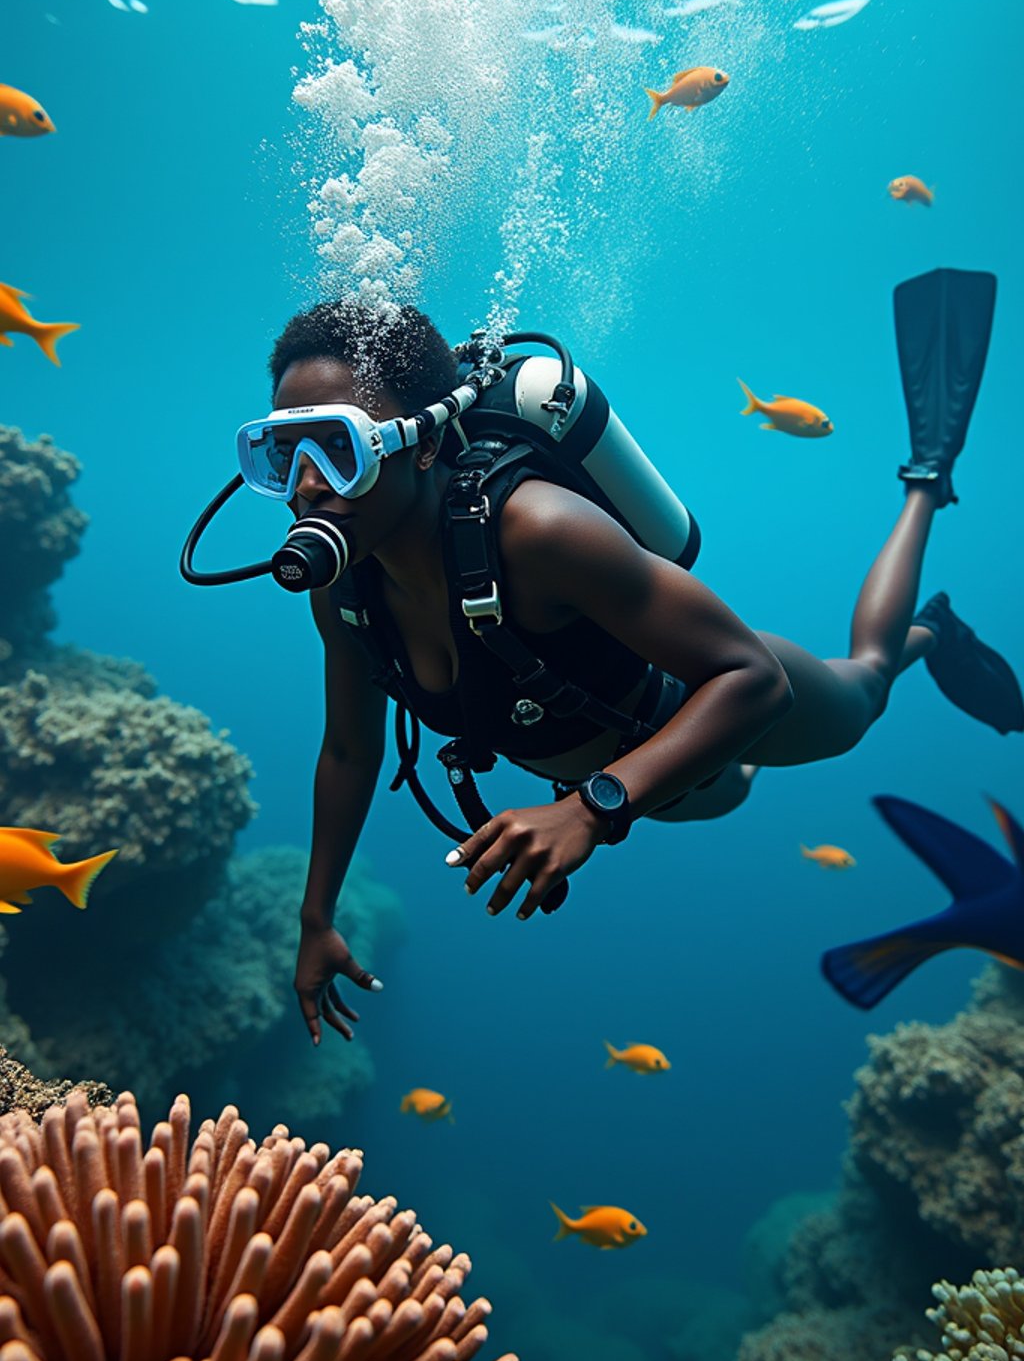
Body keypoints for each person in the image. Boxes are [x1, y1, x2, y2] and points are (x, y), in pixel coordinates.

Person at [239, 270, 1021, 1045]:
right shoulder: (342, 585)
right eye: (283, 452)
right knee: (729, 794)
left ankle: (927, 532)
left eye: (339, 448)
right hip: (658, 783)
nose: (308, 485)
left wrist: (590, 807)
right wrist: (316, 918)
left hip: (703, 712)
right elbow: (348, 747)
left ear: (427, 443)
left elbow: (758, 681)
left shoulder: (537, 532)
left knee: (866, 690)